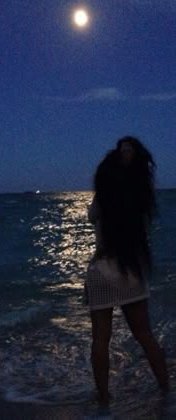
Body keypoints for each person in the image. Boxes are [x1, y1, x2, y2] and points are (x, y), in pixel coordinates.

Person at [84, 136, 169, 419]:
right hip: (128, 271)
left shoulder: (105, 195)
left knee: (100, 340)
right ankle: (166, 393)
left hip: (100, 270)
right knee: (145, 335)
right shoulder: (140, 197)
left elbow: (92, 217)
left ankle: (104, 402)